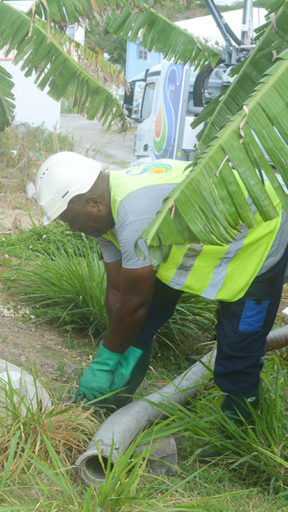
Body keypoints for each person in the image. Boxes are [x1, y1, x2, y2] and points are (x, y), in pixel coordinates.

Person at [32, 152, 288, 423]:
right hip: (203, 239)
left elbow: (135, 304)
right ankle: (112, 400)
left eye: (72, 221)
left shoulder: (134, 213)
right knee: (138, 326)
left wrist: (105, 360)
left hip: (261, 238)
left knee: (238, 346)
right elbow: (119, 292)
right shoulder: (105, 216)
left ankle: (239, 431)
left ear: (93, 204)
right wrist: (116, 347)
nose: (72, 229)